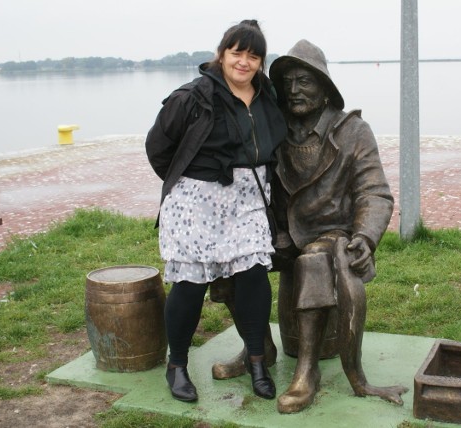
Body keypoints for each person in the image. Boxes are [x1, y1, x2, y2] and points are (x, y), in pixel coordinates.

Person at [145, 19, 287, 402]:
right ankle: (177, 366)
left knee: (255, 276)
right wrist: (192, 180)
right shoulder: (193, 97)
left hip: (248, 198)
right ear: (222, 53)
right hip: (197, 199)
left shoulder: (265, 95)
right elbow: (158, 148)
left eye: (252, 56)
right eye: (236, 52)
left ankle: (257, 360)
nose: (243, 62)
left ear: (260, 61)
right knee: (191, 284)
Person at [267, 39, 408, 413]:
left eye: (305, 81)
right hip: (281, 232)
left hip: (333, 234)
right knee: (232, 256)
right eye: (288, 82)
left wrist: (364, 236)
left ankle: (307, 370)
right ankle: (257, 347)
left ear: (325, 88)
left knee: (313, 258)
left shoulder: (353, 131)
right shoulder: (273, 128)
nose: (294, 90)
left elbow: (374, 192)